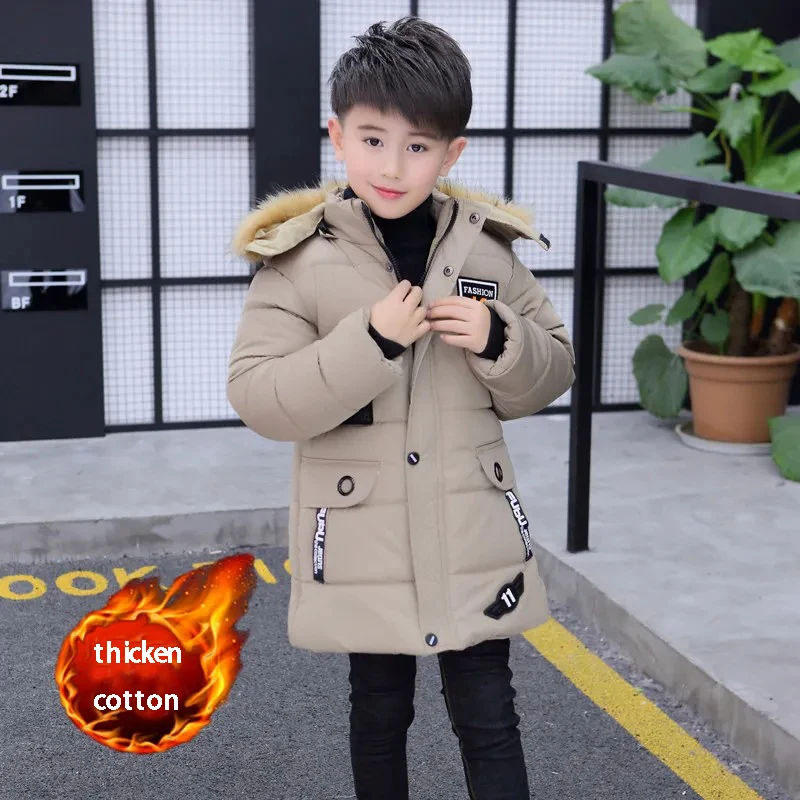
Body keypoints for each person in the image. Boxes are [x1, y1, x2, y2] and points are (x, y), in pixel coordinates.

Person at [227, 16, 575, 800]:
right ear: (337, 137)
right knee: (380, 711)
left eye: (418, 146)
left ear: (452, 154)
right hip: (365, 534)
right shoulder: (298, 260)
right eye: (372, 139)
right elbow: (260, 396)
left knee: (490, 716)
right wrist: (371, 341)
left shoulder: (488, 251)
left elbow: (554, 370)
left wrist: (501, 337)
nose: (392, 165)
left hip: (471, 528)